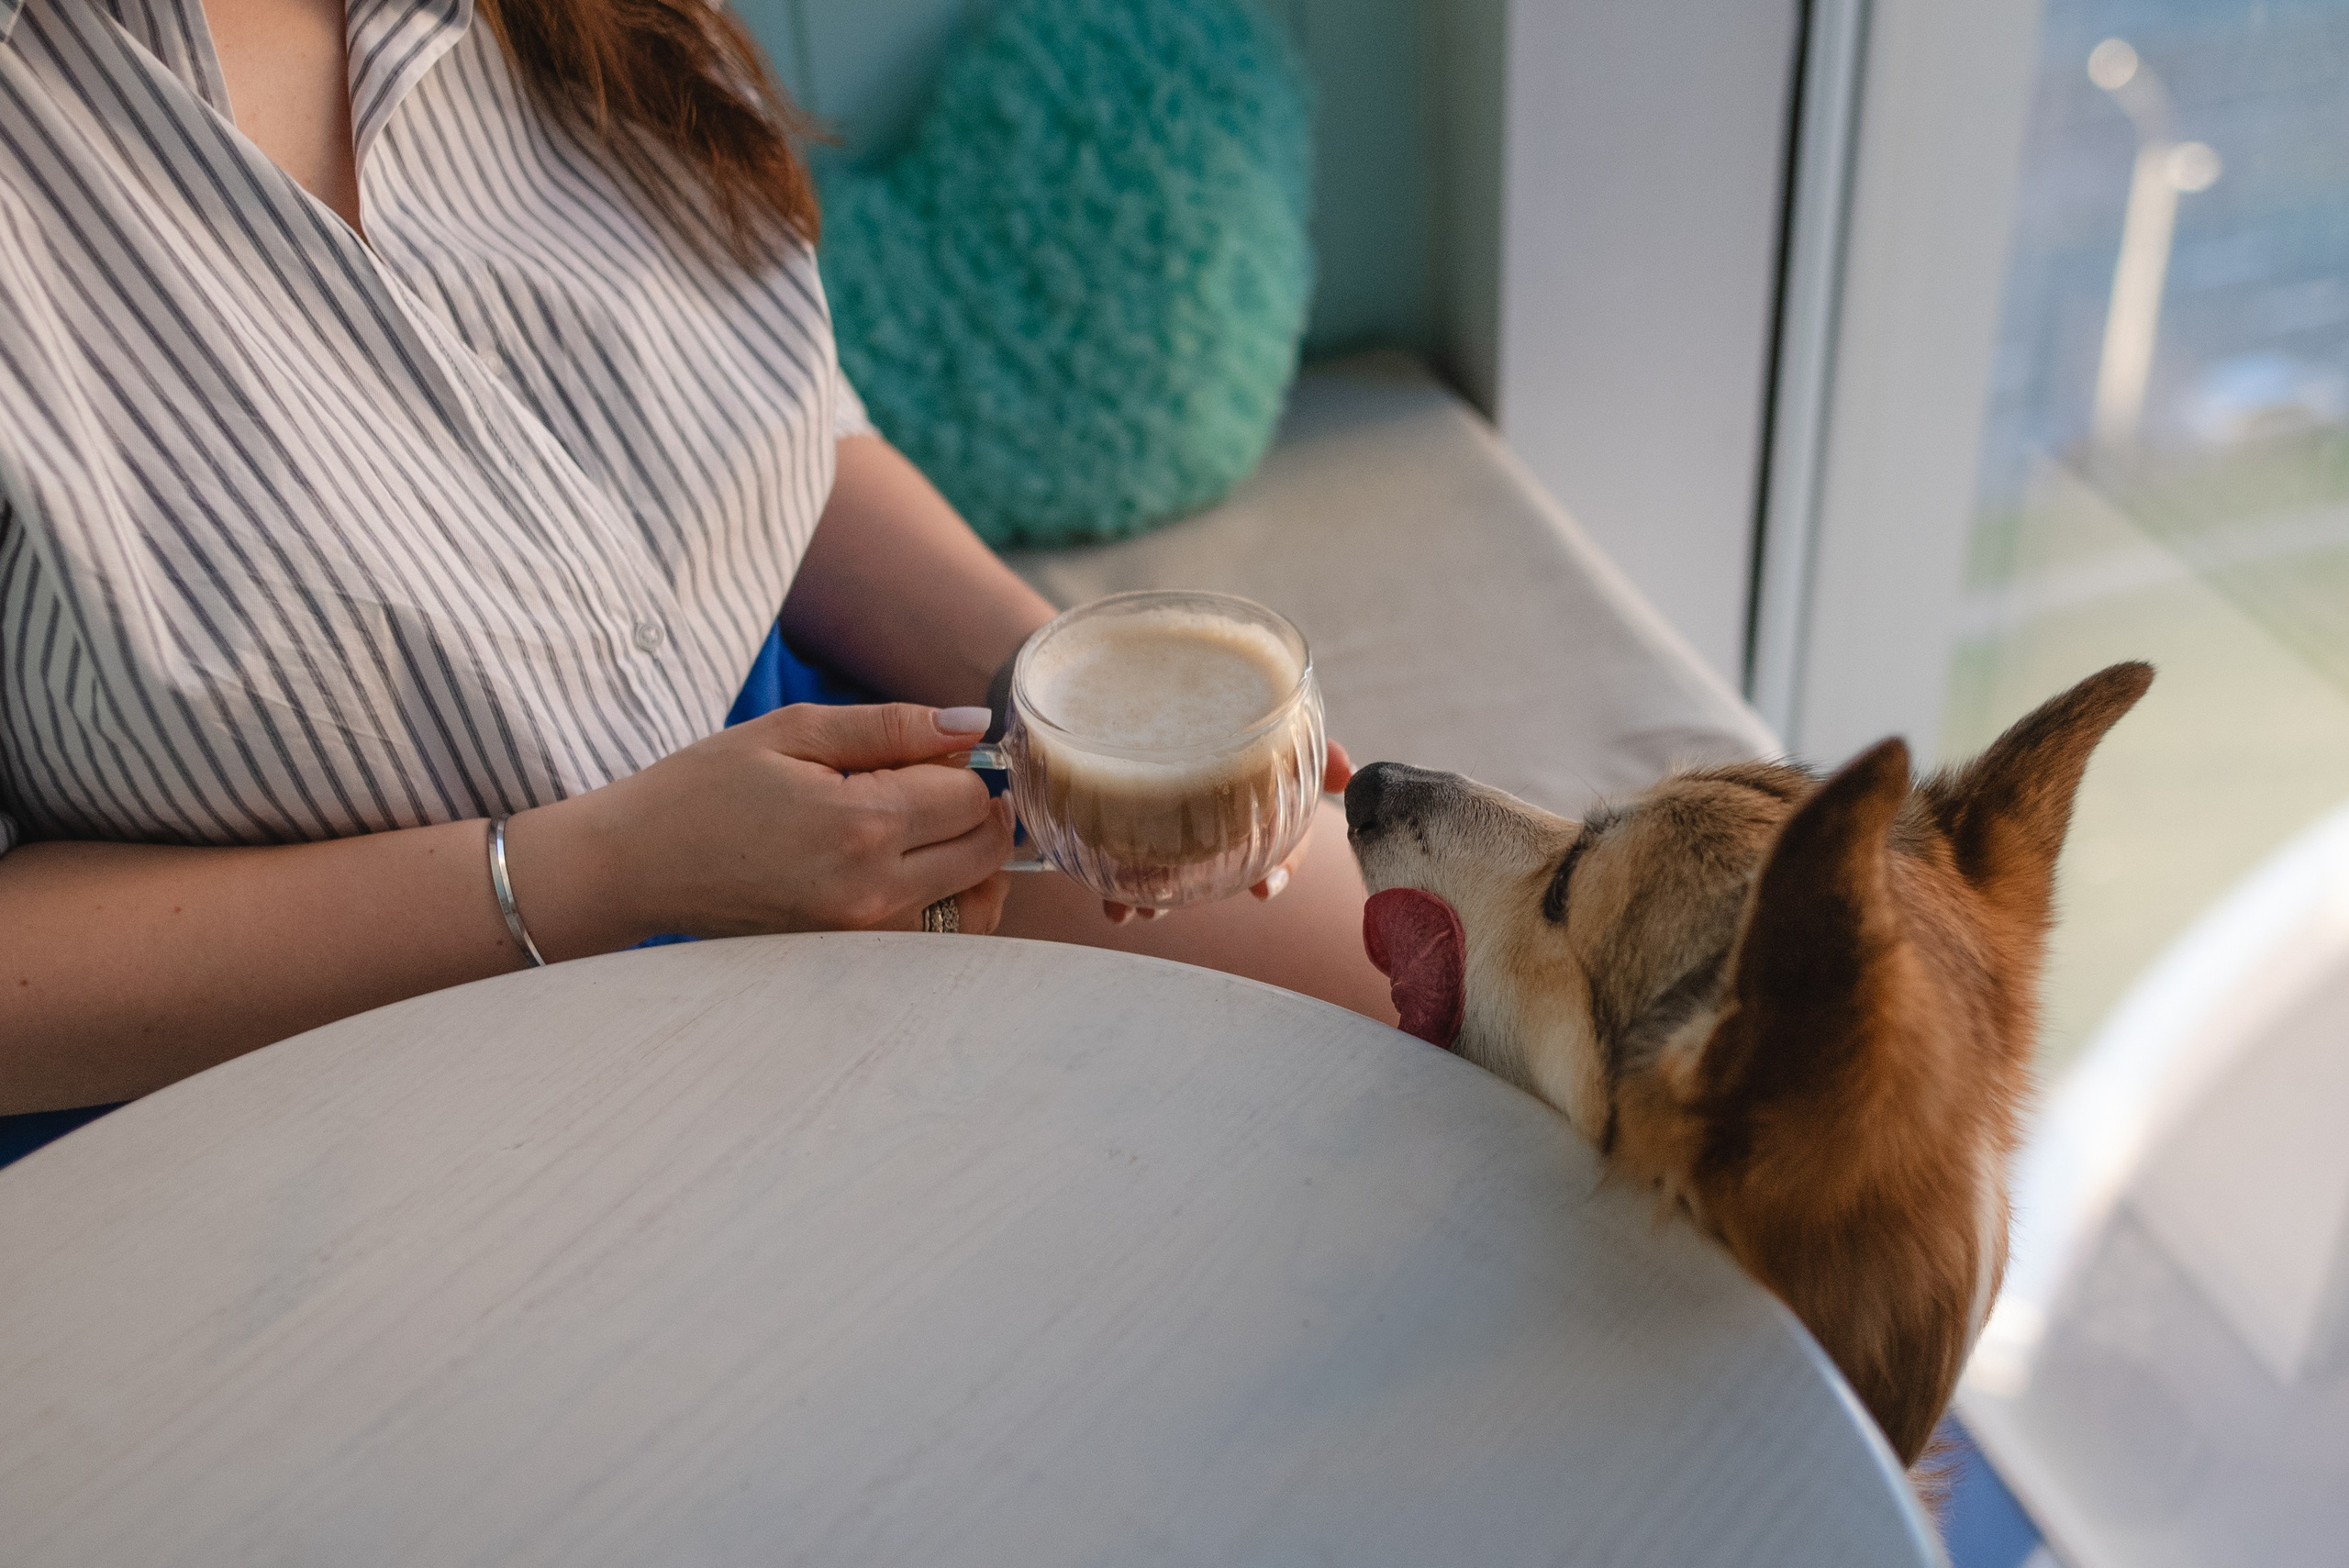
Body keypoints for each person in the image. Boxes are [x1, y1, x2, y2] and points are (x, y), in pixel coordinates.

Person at [0, 0, 1392, 1127]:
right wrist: (608, 870)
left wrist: (1076, 703)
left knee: (1464, 1004)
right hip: (309, 1045)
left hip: (815, 795)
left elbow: (766, 437)